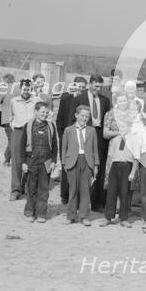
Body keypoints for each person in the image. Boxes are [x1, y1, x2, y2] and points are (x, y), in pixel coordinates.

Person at [71, 75, 111, 211]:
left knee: (98, 167)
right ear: (90, 84)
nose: (98, 89)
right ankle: (77, 203)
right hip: (84, 132)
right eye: (96, 86)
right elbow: (73, 118)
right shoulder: (79, 99)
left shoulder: (105, 100)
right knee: (82, 167)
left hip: (99, 134)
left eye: (100, 87)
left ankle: (97, 202)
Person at [19, 101, 57, 223]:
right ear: (36, 112)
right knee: (31, 187)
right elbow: (21, 145)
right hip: (31, 160)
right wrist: (23, 162)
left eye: (46, 112)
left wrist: (54, 161)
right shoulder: (28, 126)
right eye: (42, 112)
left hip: (46, 161)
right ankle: (30, 212)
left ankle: (41, 214)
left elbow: (55, 145)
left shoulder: (51, 127)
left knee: (44, 189)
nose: (44, 114)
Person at [61, 105, 99, 226]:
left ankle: (83, 216)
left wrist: (96, 165)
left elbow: (95, 150)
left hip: (87, 162)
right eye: (82, 115)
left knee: (85, 190)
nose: (84, 118)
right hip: (72, 161)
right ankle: (71, 215)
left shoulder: (92, 131)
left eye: (86, 116)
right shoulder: (68, 130)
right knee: (73, 190)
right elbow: (64, 148)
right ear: (76, 115)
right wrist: (64, 163)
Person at [99, 116, 137, 228]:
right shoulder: (115, 140)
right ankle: (108, 217)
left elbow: (136, 158)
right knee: (111, 192)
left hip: (127, 166)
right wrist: (108, 172)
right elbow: (110, 157)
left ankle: (123, 218)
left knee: (124, 192)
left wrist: (133, 172)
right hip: (114, 167)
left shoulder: (134, 140)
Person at [56, 76, 87, 205]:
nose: (80, 89)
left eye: (83, 87)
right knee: (66, 166)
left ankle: (78, 196)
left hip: (81, 137)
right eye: (78, 86)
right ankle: (65, 194)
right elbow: (60, 119)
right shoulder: (66, 97)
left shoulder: (86, 100)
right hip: (67, 136)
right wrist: (62, 136)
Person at [9, 79, 39, 200]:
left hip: (31, 132)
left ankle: (27, 188)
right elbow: (10, 116)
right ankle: (15, 190)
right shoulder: (14, 101)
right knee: (16, 160)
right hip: (18, 131)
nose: (26, 91)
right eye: (24, 89)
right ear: (20, 89)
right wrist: (14, 126)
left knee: (30, 160)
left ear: (31, 89)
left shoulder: (36, 100)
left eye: (28, 89)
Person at [0, 73, 17, 166]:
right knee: (17, 139)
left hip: (7, 119)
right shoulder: (20, 89)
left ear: (5, 80)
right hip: (20, 118)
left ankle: (7, 159)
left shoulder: (3, 90)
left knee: (12, 140)